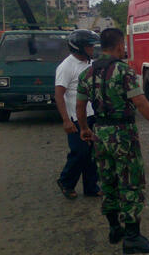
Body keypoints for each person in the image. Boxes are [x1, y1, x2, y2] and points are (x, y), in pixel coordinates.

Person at [76, 28, 149, 254]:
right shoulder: (124, 71)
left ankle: (114, 228)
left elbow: (80, 105)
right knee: (131, 183)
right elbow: (139, 101)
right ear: (118, 46)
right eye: (123, 45)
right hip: (123, 134)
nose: (124, 49)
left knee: (108, 181)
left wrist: (85, 128)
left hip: (100, 133)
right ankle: (132, 237)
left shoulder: (87, 74)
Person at [56, 29, 101, 200]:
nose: (92, 48)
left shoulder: (89, 63)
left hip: (90, 114)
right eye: (89, 45)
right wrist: (66, 120)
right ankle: (66, 181)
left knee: (92, 153)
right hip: (75, 118)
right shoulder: (66, 67)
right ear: (79, 47)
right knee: (80, 152)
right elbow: (59, 94)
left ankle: (91, 186)